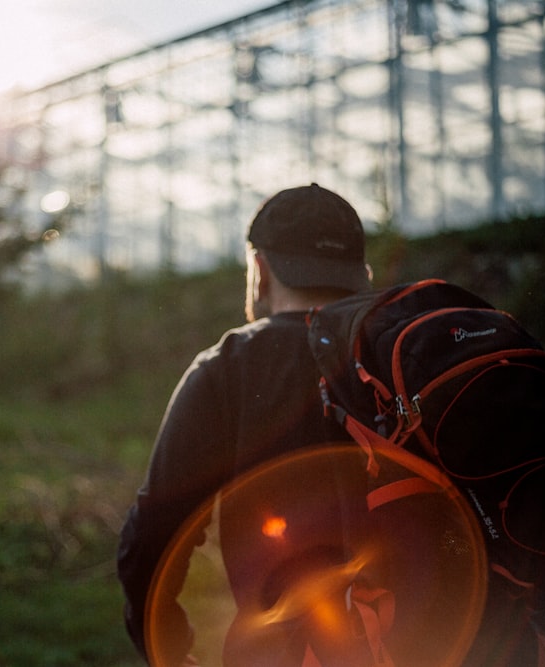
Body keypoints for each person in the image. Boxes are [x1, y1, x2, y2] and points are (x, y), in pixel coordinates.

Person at [117, 183, 375, 665]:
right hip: (445, 638)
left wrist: (166, 648)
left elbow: (152, 537)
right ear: (362, 274)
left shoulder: (229, 365)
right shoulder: (412, 348)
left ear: (260, 269)